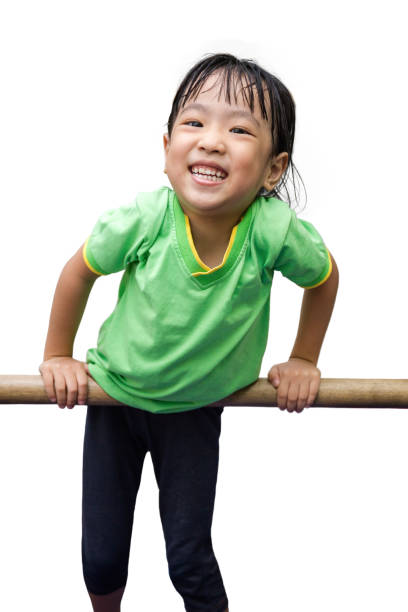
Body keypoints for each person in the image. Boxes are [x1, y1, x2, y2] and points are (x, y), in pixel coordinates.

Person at [39, 53, 339, 612]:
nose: (212, 141)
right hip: (115, 396)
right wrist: (58, 354)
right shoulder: (145, 218)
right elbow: (79, 271)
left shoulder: (273, 231)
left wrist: (304, 358)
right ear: (166, 149)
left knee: (190, 558)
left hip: (195, 410)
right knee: (101, 555)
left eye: (239, 129)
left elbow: (324, 278)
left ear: (274, 170)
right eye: (194, 123)